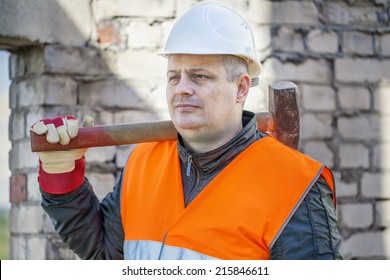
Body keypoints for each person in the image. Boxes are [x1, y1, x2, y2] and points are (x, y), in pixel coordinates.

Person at [30, 2, 343, 260]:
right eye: (174, 76)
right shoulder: (143, 162)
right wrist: (63, 178)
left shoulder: (296, 186)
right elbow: (106, 255)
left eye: (199, 76)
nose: (181, 89)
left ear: (241, 88)